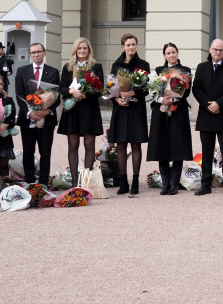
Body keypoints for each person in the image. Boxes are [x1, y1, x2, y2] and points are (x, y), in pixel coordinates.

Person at [191, 39, 223, 195]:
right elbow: (196, 88)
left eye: (221, 50)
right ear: (210, 50)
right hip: (206, 114)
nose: (218, 52)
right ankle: (205, 184)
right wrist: (208, 105)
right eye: (215, 49)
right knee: (206, 151)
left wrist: (219, 103)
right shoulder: (201, 67)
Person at [57, 36, 104, 188]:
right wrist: (72, 92)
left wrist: (85, 92)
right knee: (73, 145)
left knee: (90, 144)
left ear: (88, 50)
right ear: (75, 50)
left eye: (85, 48)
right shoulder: (68, 67)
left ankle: (86, 180)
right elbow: (61, 88)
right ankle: (73, 182)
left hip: (89, 108)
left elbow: (99, 89)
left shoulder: (96, 67)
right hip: (73, 110)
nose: (82, 50)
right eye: (79, 48)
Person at [147, 43, 193, 195]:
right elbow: (153, 90)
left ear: (177, 53)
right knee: (162, 147)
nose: (171, 55)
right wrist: (162, 99)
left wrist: (173, 99)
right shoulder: (159, 71)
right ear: (164, 55)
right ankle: (165, 183)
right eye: (168, 53)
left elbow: (186, 92)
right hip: (161, 113)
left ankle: (174, 183)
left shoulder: (185, 71)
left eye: (173, 52)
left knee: (177, 148)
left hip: (178, 112)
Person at [109, 33, 150, 195]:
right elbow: (110, 86)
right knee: (120, 145)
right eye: (128, 45)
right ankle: (123, 181)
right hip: (120, 109)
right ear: (123, 46)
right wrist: (116, 99)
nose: (131, 47)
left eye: (133, 44)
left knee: (135, 144)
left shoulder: (143, 64)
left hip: (135, 109)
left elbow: (146, 88)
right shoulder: (116, 65)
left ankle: (135, 181)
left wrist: (133, 93)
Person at [15, 42, 61, 186]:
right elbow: (19, 94)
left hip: (46, 119)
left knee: (45, 152)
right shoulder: (22, 71)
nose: (36, 55)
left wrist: (46, 111)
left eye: (39, 52)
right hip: (27, 119)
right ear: (30, 55)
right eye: (33, 52)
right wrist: (29, 112)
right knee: (28, 151)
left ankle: (43, 182)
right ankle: (29, 181)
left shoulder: (53, 72)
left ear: (44, 53)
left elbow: (57, 96)